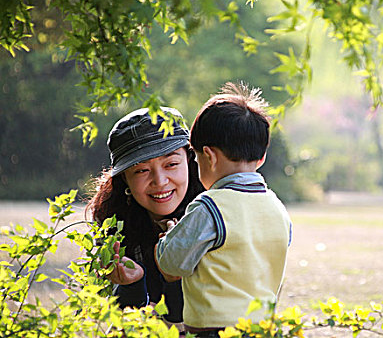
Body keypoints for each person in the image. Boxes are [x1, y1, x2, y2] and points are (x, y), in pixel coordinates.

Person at [155, 82, 292, 337]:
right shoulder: (277, 208)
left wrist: (170, 237)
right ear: (261, 158)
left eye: (195, 158)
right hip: (262, 327)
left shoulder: (209, 207)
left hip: (214, 330)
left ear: (209, 156)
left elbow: (172, 264)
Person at [86, 106, 204, 326]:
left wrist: (174, 279)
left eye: (171, 164)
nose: (160, 181)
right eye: (141, 171)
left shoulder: (214, 214)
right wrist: (132, 284)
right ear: (124, 179)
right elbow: (127, 326)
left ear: (189, 160)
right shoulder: (113, 221)